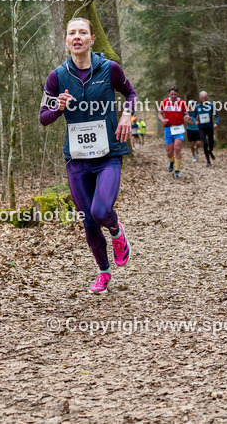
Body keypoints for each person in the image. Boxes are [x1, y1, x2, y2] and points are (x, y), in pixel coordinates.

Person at [40, 17, 134, 294]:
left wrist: (127, 114)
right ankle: (103, 272)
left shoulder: (109, 69)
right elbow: (44, 119)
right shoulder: (56, 77)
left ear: (92, 39)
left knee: (101, 211)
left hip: (108, 154)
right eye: (72, 33)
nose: (77, 37)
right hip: (77, 160)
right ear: (66, 40)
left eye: (83, 32)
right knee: (89, 220)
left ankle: (117, 232)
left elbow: (130, 93)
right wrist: (58, 108)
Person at [158, 86, 191, 177]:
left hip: (179, 128)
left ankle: (177, 170)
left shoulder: (182, 103)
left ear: (177, 94)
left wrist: (186, 117)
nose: (173, 96)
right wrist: (162, 120)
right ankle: (171, 161)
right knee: (169, 151)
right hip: (168, 128)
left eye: (175, 94)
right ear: (169, 94)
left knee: (177, 148)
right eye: (172, 94)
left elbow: (186, 114)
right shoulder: (164, 102)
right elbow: (160, 113)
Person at [193, 90, 219, 166]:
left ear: (206, 98)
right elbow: (193, 116)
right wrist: (195, 121)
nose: (203, 99)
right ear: (199, 98)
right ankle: (208, 161)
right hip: (201, 128)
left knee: (211, 143)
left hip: (210, 127)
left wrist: (216, 123)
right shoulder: (197, 107)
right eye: (202, 97)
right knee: (205, 143)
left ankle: (210, 151)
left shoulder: (211, 106)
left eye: (205, 97)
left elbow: (216, 115)